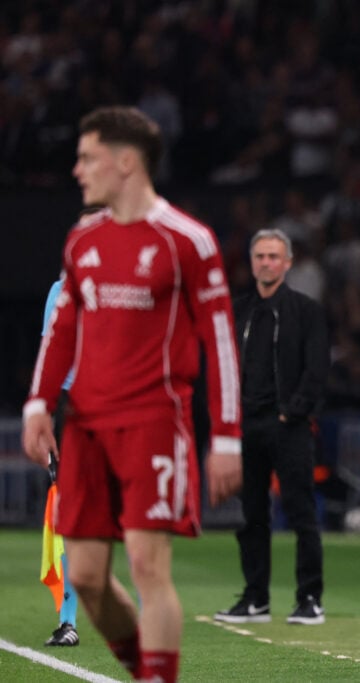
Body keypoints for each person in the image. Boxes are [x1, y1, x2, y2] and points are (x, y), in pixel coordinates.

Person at [21, 106, 242, 683]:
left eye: (87, 157)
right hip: (85, 423)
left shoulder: (187, 241)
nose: (76, 169)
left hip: (153, 421)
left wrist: (226, 437)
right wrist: (39, 403)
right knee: (88, 576)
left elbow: (219, 341)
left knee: (148, 564)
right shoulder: (82, 241)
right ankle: (147, 670)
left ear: (125, 162)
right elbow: (62, 328)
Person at [215, 228, 329, 626]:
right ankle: (255, 598)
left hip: (289, 427)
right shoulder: (238, 310)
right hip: (247, 426)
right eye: (260, 256)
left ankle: (310, 599)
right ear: (252, 261)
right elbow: (225, 369)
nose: (266, 262)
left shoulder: (306, 310)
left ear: (288, 262)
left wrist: (291, 412)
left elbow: (317, 370)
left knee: (301, 514)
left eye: (273, 256)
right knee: (251, 516)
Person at [39, 277, 79, 647]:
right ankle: (68, 621)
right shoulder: (61, 289)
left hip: (117, 404)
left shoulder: (130, 282)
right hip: (71, 404)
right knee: (66, 511)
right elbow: (49, 352)